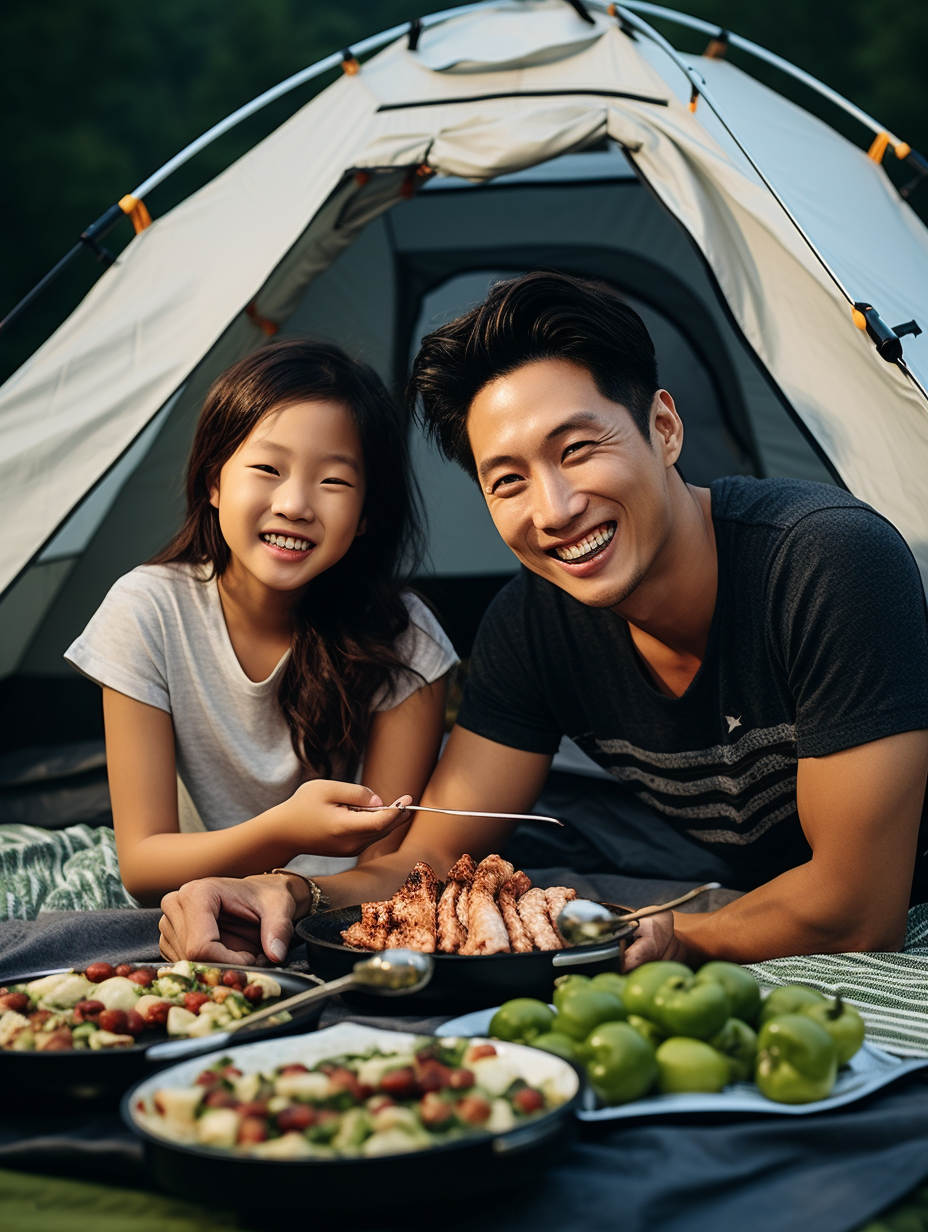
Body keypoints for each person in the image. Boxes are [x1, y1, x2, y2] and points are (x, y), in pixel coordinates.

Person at [158, 272, 928, 970]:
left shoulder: (827, 562)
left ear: (664, 428)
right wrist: (287, 892)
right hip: (751, 890)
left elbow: (858, 910)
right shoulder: (531, 626)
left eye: (579, 449)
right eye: (508, 481)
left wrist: (673, 937)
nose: (555, 511)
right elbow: (426, 857)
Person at [66, 339, 456, 928]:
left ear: (367, 516)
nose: (296, 504)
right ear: (214, 481)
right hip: (195, 902)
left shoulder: (405, 639)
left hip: (338, 914)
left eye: (334, 481)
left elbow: (389, 864)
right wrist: (284, 831)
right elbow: (143, 867)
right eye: (268, 469)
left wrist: (298, 885)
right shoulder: (147, 611)